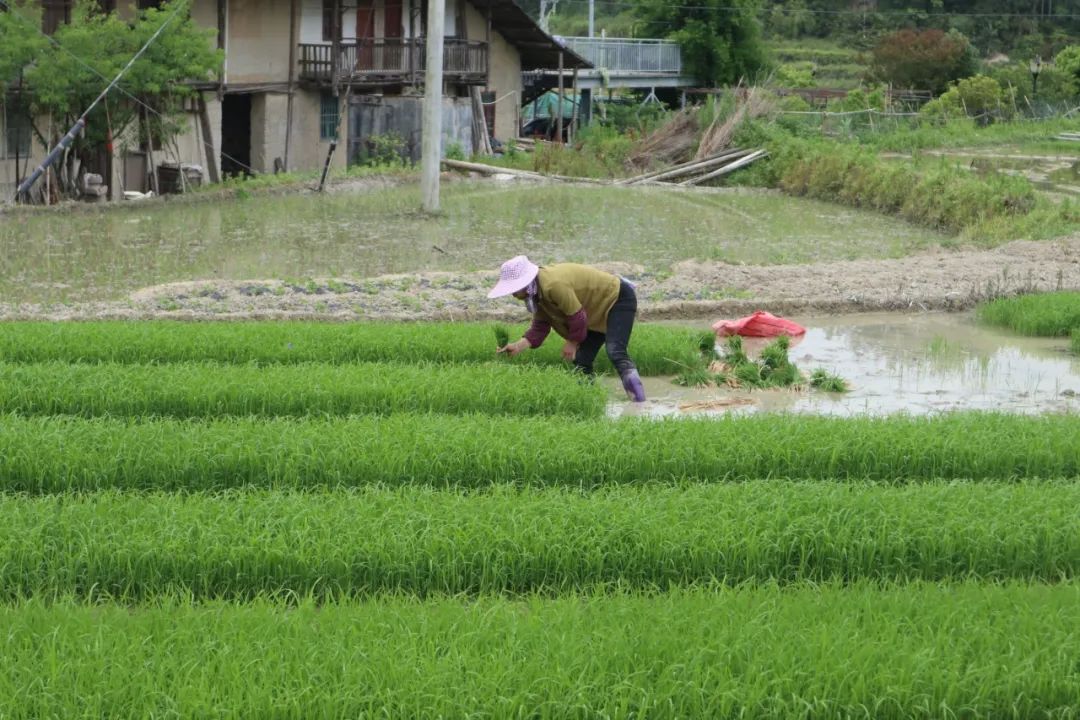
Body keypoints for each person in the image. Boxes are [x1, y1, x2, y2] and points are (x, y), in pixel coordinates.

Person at [487, 255, 646, 402]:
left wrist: (572, 341)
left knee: (615, 351)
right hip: (592, 312)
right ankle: (590, 401)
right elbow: (540, 326)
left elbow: (577, 316)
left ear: (524, 283)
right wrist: (517, 346)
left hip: (616, 298)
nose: (512, 294)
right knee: (582, 360)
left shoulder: (553, 285)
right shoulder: (537, 293)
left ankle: (639, 402)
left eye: (514, 289)